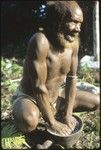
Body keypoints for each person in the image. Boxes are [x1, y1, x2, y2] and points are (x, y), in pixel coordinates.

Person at [12, 1, 99, 136]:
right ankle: (37, 113)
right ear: (58, 21)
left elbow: (72, 78)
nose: (78, 29)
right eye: (74, 22)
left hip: (56, 97)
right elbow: (38, 87)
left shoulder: (73, 43)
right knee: (28, 121)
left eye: (80, 24)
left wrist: (68, 114)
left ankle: (56, 111)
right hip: (31, 97)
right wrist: (53, 123)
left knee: (95, 102)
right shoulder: (40, 41)